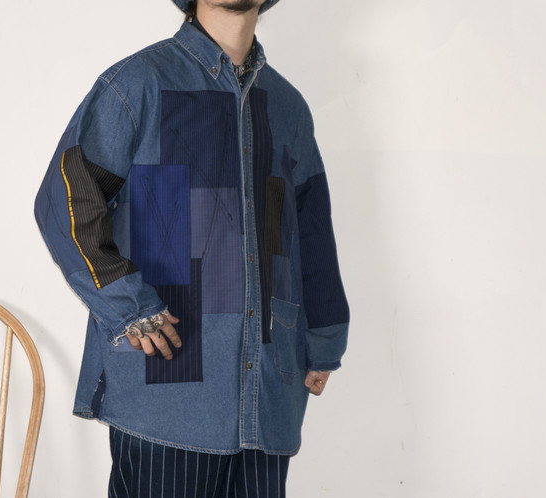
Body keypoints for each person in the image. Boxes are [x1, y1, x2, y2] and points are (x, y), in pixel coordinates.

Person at [34, 0, 350, 496]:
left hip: (267, 395)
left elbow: (309, 231)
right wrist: (130, 306)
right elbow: (66, 199)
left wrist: (325, 337)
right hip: (167, 387)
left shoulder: (287, 106)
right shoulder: (139, 83)